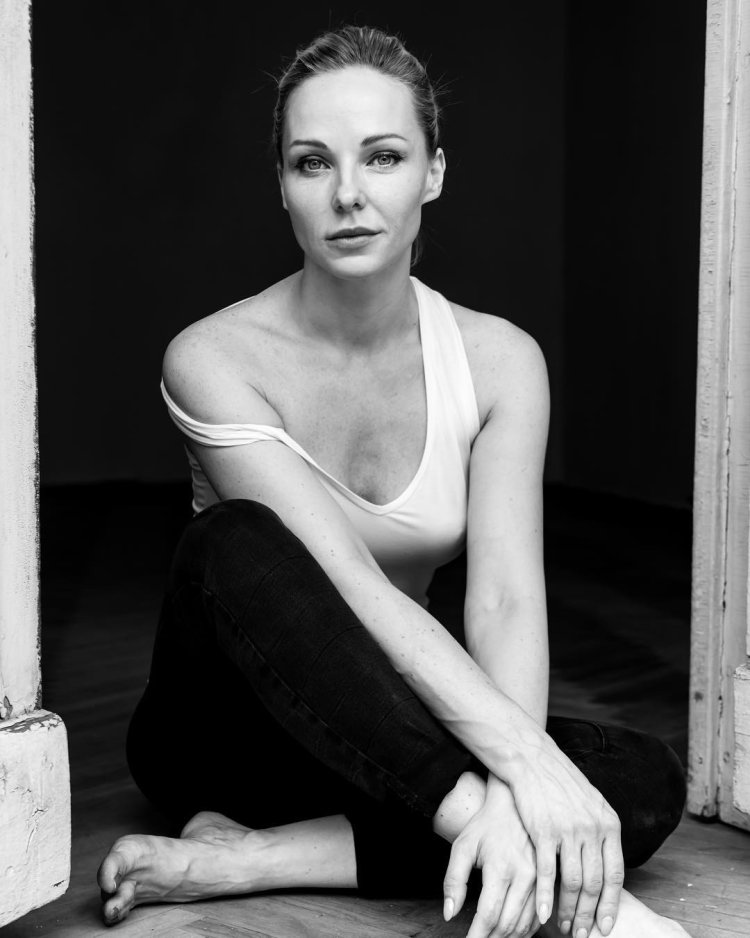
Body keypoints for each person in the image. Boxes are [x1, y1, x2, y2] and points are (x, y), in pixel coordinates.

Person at [97, 24, 689, 938]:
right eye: (312, 163)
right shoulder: (212, 357)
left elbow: (502, 600)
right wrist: (524, 788)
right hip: (224, 741)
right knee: (233, 541)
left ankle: (249, 860)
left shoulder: (500, 361)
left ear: (433, 172)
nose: (348, 194)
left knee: (644, 778)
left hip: (383, 736)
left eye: (382, 157)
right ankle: (496, 841)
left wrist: (524, 771)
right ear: (282, 185)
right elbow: (347, 584)